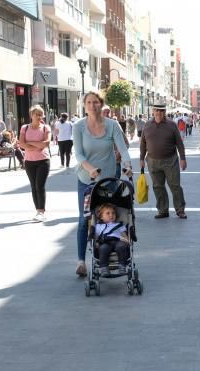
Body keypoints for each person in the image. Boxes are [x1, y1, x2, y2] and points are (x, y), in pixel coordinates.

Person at [73, 91, 132, 277]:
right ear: (85, 106)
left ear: (101, 104)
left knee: (109, 217)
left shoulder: (112, 125)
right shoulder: (78, 126)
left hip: (108, 181)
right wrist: (90, 169)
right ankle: (81, 261)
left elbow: (123, 148)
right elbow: (79, 154)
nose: (92, 105)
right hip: (86, 179)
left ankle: (110, 253)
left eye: (96, 102)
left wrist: (127, 166)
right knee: (84, 219)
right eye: (89, 102)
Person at [139, 104, 187, 219]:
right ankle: (163, 210)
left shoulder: (171, 125)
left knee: (175, 186)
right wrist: (141, 158)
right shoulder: (147, 125)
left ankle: (180, 210)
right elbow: (143, 143)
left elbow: (179, 143)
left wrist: (183, 158)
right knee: (157, 186)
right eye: (157, 111)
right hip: (152, 161)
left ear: (164, 112)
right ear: (153, 111)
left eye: (161, 111)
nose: (159, 113)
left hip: (170, 160)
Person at [19, 105, 52, 222]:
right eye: (36, 114)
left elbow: (46, 143)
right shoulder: (25, 128)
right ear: (31, 115)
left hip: (43, 161)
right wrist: (37, 144)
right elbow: (21, 143)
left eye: (41, 114)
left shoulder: (45, 128)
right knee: (33, 186)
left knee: (40, 185)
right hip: (29, 161)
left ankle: (41, 211)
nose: (39, 116)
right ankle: (37, 210)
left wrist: (30, 143)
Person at [94, 203, 131, 274]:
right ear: (101, 217)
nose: (111, 215)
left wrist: (127, 239)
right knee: (103, 248)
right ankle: (104, 268)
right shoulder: (99, 226)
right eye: (108, 213)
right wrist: (96, 243)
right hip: (105, 242)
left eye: (113, 213)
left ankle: (122, 266)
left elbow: (124, 234)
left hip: (118, 241)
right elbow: (96, 237)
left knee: (122, 246)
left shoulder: (119, 225)